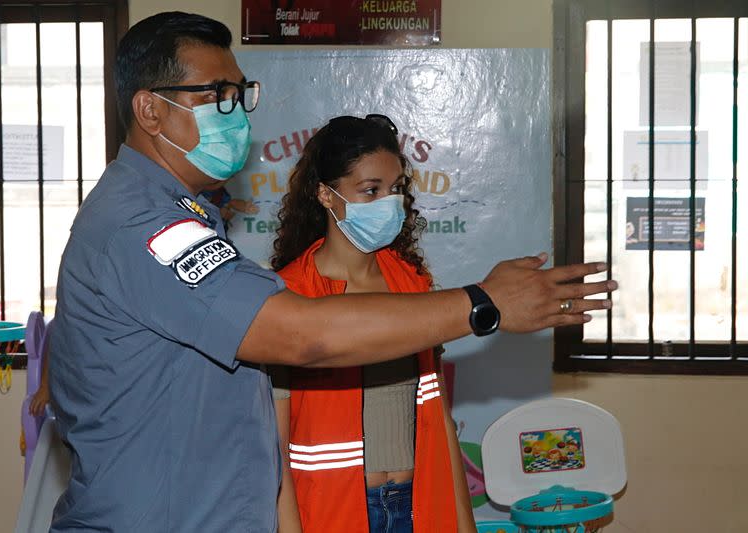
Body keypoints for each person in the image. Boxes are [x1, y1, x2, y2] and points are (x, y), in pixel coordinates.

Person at [49, 11, 616, 532]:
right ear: (150, 109)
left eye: (241, 95)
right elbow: (304, 334)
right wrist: (481, 304)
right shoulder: (144, 226)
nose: (238, 112)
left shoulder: (183, 217)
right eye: (218, 95)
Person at [269, 114, 476, 532]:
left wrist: (464, 522)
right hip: (331, 510)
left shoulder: (412, 284)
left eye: (396, 189)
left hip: (417, 504)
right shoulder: (288, 297)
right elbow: (271, 450)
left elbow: (440, 419)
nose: (389, 202)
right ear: (326, 195)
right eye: (370, 190)